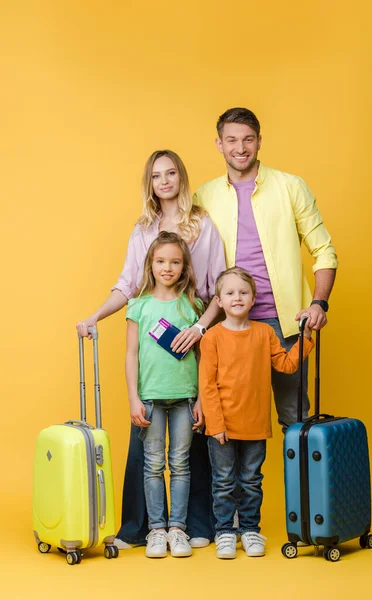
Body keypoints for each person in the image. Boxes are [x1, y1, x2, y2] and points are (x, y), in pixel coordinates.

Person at [76, 150, 226, 549]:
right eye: (156, 175)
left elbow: (216, 286)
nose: (164, 181)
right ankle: (142, 527)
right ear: (150, 182)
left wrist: (198, 327)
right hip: (153, 350)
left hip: (194, 331)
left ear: (181, 176)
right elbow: (127, 285)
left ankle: (193, 526)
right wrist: (94, 316)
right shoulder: (143, 228)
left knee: (190, 444)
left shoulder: (202, 224)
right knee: (148, 444)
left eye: (171, 172)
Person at [194, 108, 338, 430]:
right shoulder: (203, 195)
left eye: (248, 139)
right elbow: (183, 254)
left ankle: (302, 482)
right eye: (231, 140)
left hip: (284, 325)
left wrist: (318, 303)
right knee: (224, 424)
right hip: (227, 326)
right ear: (219, 144)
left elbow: (324, 250)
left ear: (259, 141)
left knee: (295, 421)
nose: (240, 148)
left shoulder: (291, 186)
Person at [199, 267, 314, 559]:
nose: (237, 298)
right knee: (223, 482)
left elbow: (286, 365)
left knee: (252, 481)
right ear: (219, 301)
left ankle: (250, 530)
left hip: (256, 425)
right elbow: (207, 386)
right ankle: (225, 531)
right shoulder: (211, 338)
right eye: (230, 293)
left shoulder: (265, 333)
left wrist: (306, 339)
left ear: (253, 299)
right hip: (222, 426)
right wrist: (215, 425)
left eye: (243, 292)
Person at [126, 231, 203, 558]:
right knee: (153, 465)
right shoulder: (138, 307)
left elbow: (202, 356)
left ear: (184, 266)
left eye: (175, 261)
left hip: (185, 398)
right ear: (151, 264)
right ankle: (156, 530)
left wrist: (201, 399)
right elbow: (131, 354)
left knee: (181, 465)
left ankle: (178, 530)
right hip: (150, 399)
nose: (167, 267)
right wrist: (133, 397)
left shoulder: (192, 305)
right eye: (160, 261)